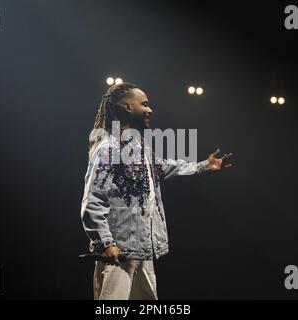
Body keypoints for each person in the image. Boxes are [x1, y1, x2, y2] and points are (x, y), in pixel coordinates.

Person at [80, 82, 233, 300]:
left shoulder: (139, 149)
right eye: (145, 104)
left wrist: (204, 166)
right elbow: (92, 200)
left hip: (143, 251)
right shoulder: (107, 149)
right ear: (127, 107)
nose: (150, 109)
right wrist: (106, 244)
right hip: (118, 253)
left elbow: (166, 167)